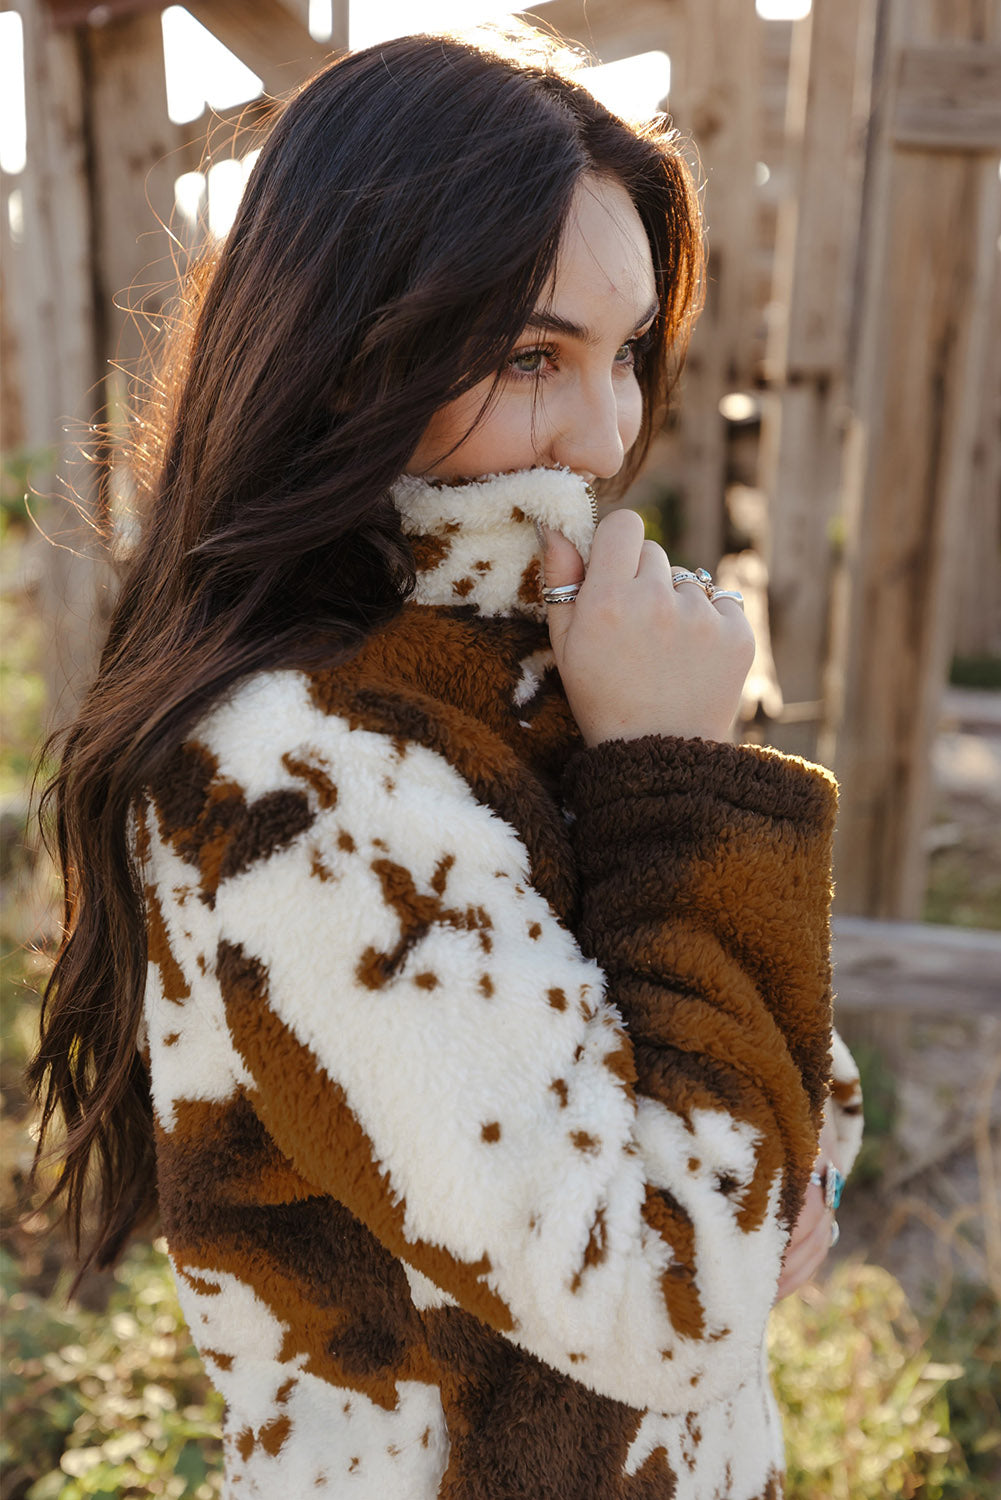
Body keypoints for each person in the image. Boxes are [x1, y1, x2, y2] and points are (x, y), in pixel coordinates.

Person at [29, 23, 862, 1499]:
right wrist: (676, 775)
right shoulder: (301, 770)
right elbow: (682, 1293)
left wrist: (650, 767)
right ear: (345, 348)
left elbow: (802, 1124)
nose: (605, 435)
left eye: (623, 356)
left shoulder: (526, 681)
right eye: (532, 356)